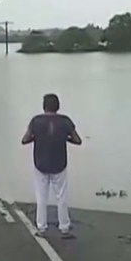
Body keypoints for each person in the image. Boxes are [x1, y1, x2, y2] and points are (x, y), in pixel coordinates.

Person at [21, 92, 82, 238]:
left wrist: (35, 138)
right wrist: (65, 138)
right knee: (61, 196)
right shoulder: (65, 121)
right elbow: (78, 140)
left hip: (40, 163)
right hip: (59, 163)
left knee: (41, 196)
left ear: (44, 106)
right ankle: (64, 226)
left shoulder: (36, 121)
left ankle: (42, 227)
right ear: (58, 106)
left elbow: (24, 140)